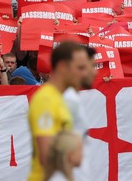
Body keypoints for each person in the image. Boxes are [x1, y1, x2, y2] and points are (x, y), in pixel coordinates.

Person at [27, 41, 89, 181]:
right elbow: (46, 155)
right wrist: (74, 151)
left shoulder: (62, 97)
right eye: (79, 68)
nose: (84, 73)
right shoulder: (46, 100)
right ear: (62, 67)